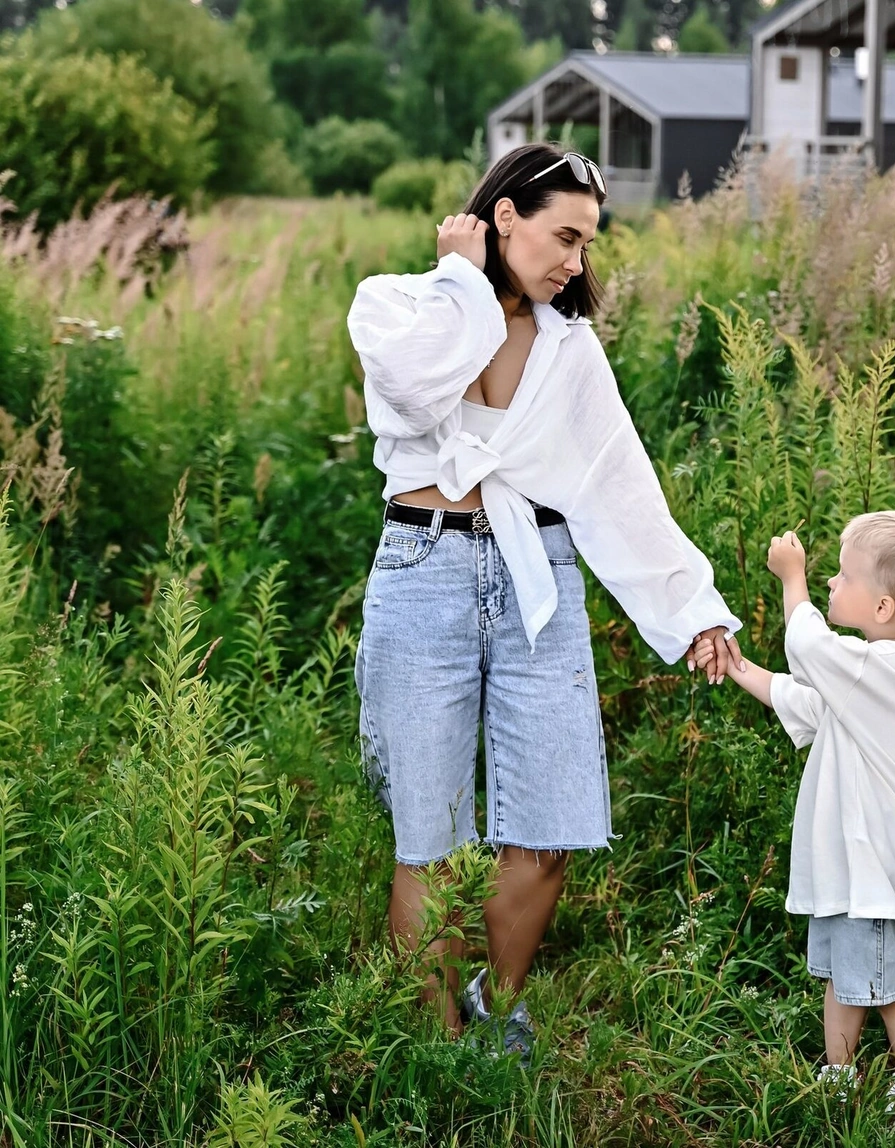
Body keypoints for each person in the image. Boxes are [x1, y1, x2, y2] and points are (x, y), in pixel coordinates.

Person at [345, 142, 744, 1057]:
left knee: (553, 823)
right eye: (564, 235)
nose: (576, 261)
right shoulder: (401, 302)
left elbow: (619, 488)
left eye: (587, 245)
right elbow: (410, 390)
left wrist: (693, 612)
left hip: (538, 579)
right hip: (423, 571)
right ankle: (437, 1044)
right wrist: (460, 275)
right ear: (505, 218)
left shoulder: (571, 352)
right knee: (428, 836)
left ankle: (497, 1005)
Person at [696, 511, 895, 1112]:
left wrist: (794, 579)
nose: (831, 585)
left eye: (842, 577)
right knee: (843, 978)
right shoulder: (867, 673)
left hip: (877, 866)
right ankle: (839, 1076)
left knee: (890, 988)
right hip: (850, 864)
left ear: (884, 608)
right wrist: (736, 664)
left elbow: (807, 646)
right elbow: (801, 698)